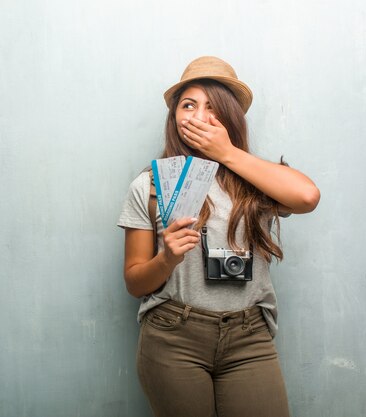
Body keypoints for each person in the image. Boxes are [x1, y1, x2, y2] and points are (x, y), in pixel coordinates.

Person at [117, 56, 320, 417]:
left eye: (212, 107)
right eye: (188, 105)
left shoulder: (257, 178)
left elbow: (307, 197)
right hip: (173, 335)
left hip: (249, 338)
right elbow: (134, 282)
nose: (197, 116)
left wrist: (226, 153)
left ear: (229, 117)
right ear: (174, 117)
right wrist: (167, 259)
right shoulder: (149, 185)